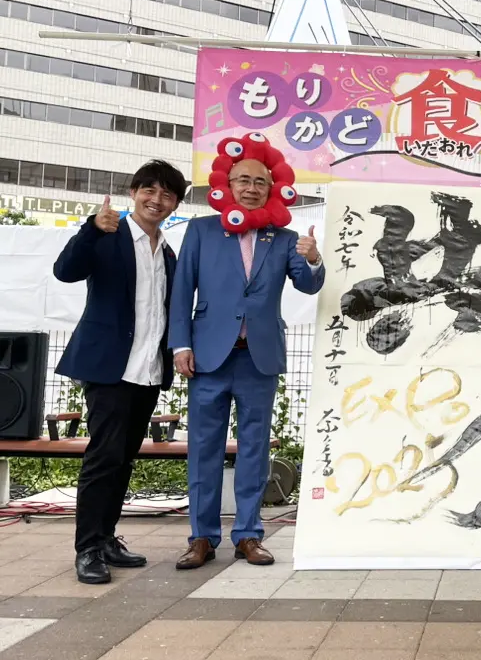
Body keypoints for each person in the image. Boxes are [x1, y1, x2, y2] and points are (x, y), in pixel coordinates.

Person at [170, 155, 324, 569]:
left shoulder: (285, 237)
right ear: (227, 184)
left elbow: (308, 285)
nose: (252, 188)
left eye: (260, 182)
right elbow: (182, 290)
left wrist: (313, 258)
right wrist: (180, 345)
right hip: (208, 357)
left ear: (271, 189)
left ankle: (249, 535)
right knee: (204, 449)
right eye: (243, 180)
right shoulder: (201, 230)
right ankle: (201, 537)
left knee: (254, 449)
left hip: (259, 357)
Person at [53, 160, 187, 584]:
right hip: (109, 367)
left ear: (175, 204)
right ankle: (89, 548)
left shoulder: (168, 253)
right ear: (134, 193)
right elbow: (65, 271)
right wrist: (91, 228)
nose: (156, 200)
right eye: (149, 190)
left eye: (167, 194)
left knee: (123, 458)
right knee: (104, 457)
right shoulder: (107, 235)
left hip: (148, 369)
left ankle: (107, 538)